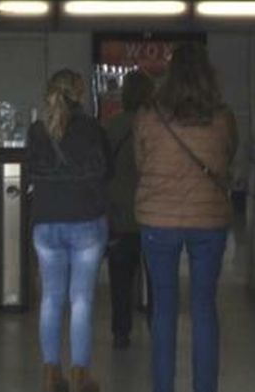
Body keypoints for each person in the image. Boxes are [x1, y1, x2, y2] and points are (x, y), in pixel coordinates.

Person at [135, 43, 238, 392]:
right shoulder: (222, 116)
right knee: (203, 307)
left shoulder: (149, 115)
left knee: (163, 308)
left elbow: (140, 162)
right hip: (209, 220)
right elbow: (227, 158)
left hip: (157, 219)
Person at [27, 69, 110, 392]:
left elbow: (31, 169)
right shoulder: (91, 128)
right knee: (81, 301)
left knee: (50, 299)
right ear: (80, 94)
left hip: (46, 222)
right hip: (86, 221)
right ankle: (79, 374)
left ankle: (50, 373)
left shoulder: (37, 130)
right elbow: (106, 170)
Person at [104, 69, 154, 351]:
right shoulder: (159, 126)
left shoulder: (111, 127)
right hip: (153, 213)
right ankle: (157, 323)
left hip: (120, 214)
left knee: (120, 278)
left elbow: (103, 168)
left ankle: (121, 331)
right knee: (158, 276)